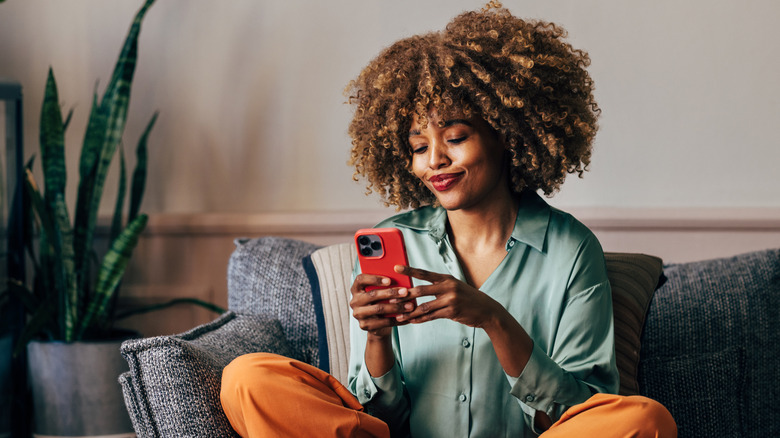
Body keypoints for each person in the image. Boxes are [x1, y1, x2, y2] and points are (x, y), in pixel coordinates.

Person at [220, 2, 677, 437]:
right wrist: (377, 338)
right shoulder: (392, 241)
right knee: (247, 378)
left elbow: (584, 415)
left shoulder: (570, 250)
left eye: (456, 137)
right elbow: (378, 420)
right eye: (419, 147)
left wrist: (495, 320)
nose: (434, 161)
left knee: (644, 421)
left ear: (506, 134)